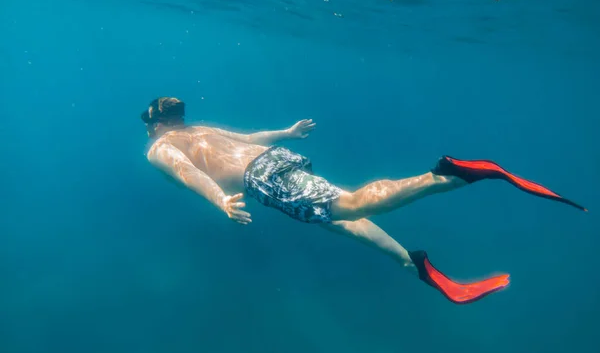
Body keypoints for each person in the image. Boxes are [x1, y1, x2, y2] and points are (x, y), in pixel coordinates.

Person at [141, 97, 587, 304]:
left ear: (153, 126)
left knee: (353, 206)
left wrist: (220, 199)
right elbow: (249, 138)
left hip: (260, 178)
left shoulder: (160, 148)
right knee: (335, 219)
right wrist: (289, 132)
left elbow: (188, 174)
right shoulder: (198, 130)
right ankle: (413, 264)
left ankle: (446, 176)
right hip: (274, 159)